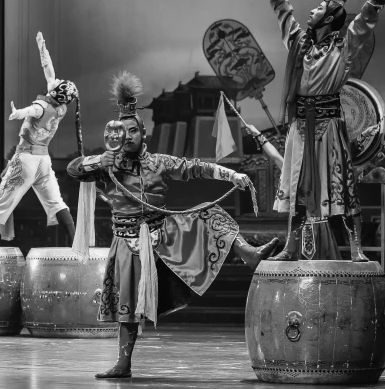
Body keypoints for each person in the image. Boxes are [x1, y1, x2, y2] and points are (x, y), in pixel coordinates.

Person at [67, 71, 278, 379]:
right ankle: (123, 364)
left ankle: (248, 254)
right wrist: (100, 162)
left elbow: (195, 168)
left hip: (164, 235)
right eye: (122, 133)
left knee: (212, 214)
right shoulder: (107, 166)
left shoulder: (158, 163)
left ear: (142, 135)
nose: (127, 137)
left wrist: (231, 175)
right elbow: (74, 169)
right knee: (126, 307)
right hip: (128, 241)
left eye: (132, 132)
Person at [262, 0, 385, 262]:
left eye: (320, 7)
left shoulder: (343, 48)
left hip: (330, 127)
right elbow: (281, 8)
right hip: (300, 126)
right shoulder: (298, 42)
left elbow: (366, 20)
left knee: (343, 188)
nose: (313, 10)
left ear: (331, 18)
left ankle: (356, 249)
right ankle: (291, 248)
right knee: (297, 187)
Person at [0, 32, 78, 247]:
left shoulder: (43, 106)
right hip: (44, 161)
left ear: (54, 92)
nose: (54, 81)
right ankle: (77, 243)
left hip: (25, 160)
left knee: (2, 202)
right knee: (56, 202)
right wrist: (42, 50)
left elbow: (33, 109)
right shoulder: (61, 107)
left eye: (56, 84)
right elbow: (49, 72)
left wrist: (17, 113)